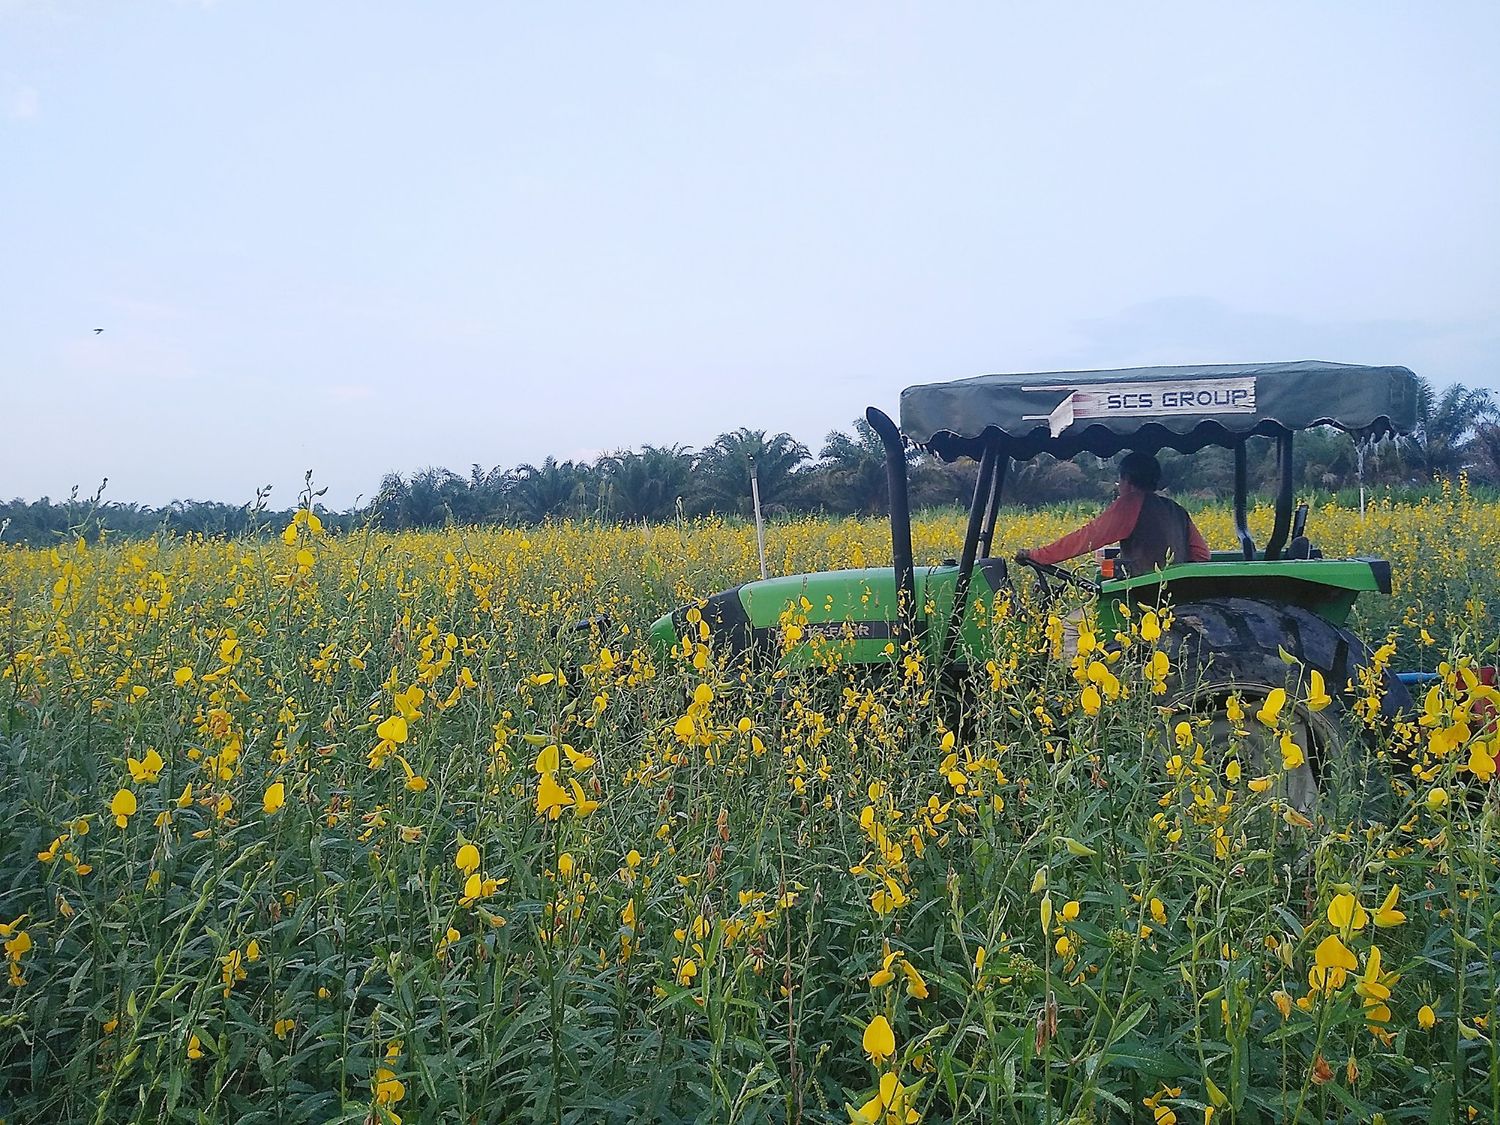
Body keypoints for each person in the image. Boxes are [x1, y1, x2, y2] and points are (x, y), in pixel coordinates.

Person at [1017, 451, 1210, 574]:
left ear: (1126, 479)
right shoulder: (1176, 509)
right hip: (1173, 597)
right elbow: (1201, 555)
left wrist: (1039, 555)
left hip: (1143, 596)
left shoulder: (1130, 503)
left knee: (1072, 628)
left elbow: (1088, 536)